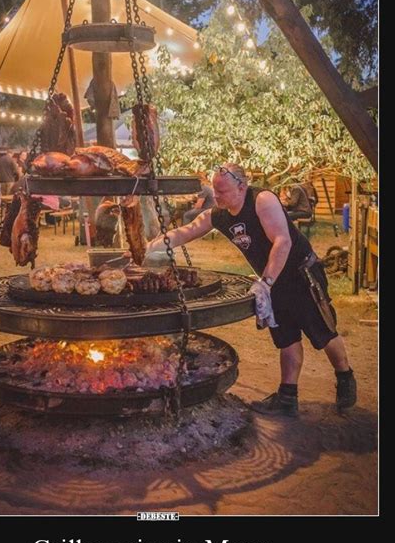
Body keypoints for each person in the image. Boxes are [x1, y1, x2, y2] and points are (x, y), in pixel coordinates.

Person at [145, 162, 356, 417]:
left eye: (222, 191)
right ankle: (287, 398)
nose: (216, 196)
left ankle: (345, 376)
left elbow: (283, 241)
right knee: (287, 338)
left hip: (301, 275)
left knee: (323, 332)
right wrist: (148, 247)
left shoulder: (262, 201)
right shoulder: (219, 215)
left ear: (242, 186)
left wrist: (265, 283)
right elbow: (185, 232)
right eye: (215, 190)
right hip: (273, 281)